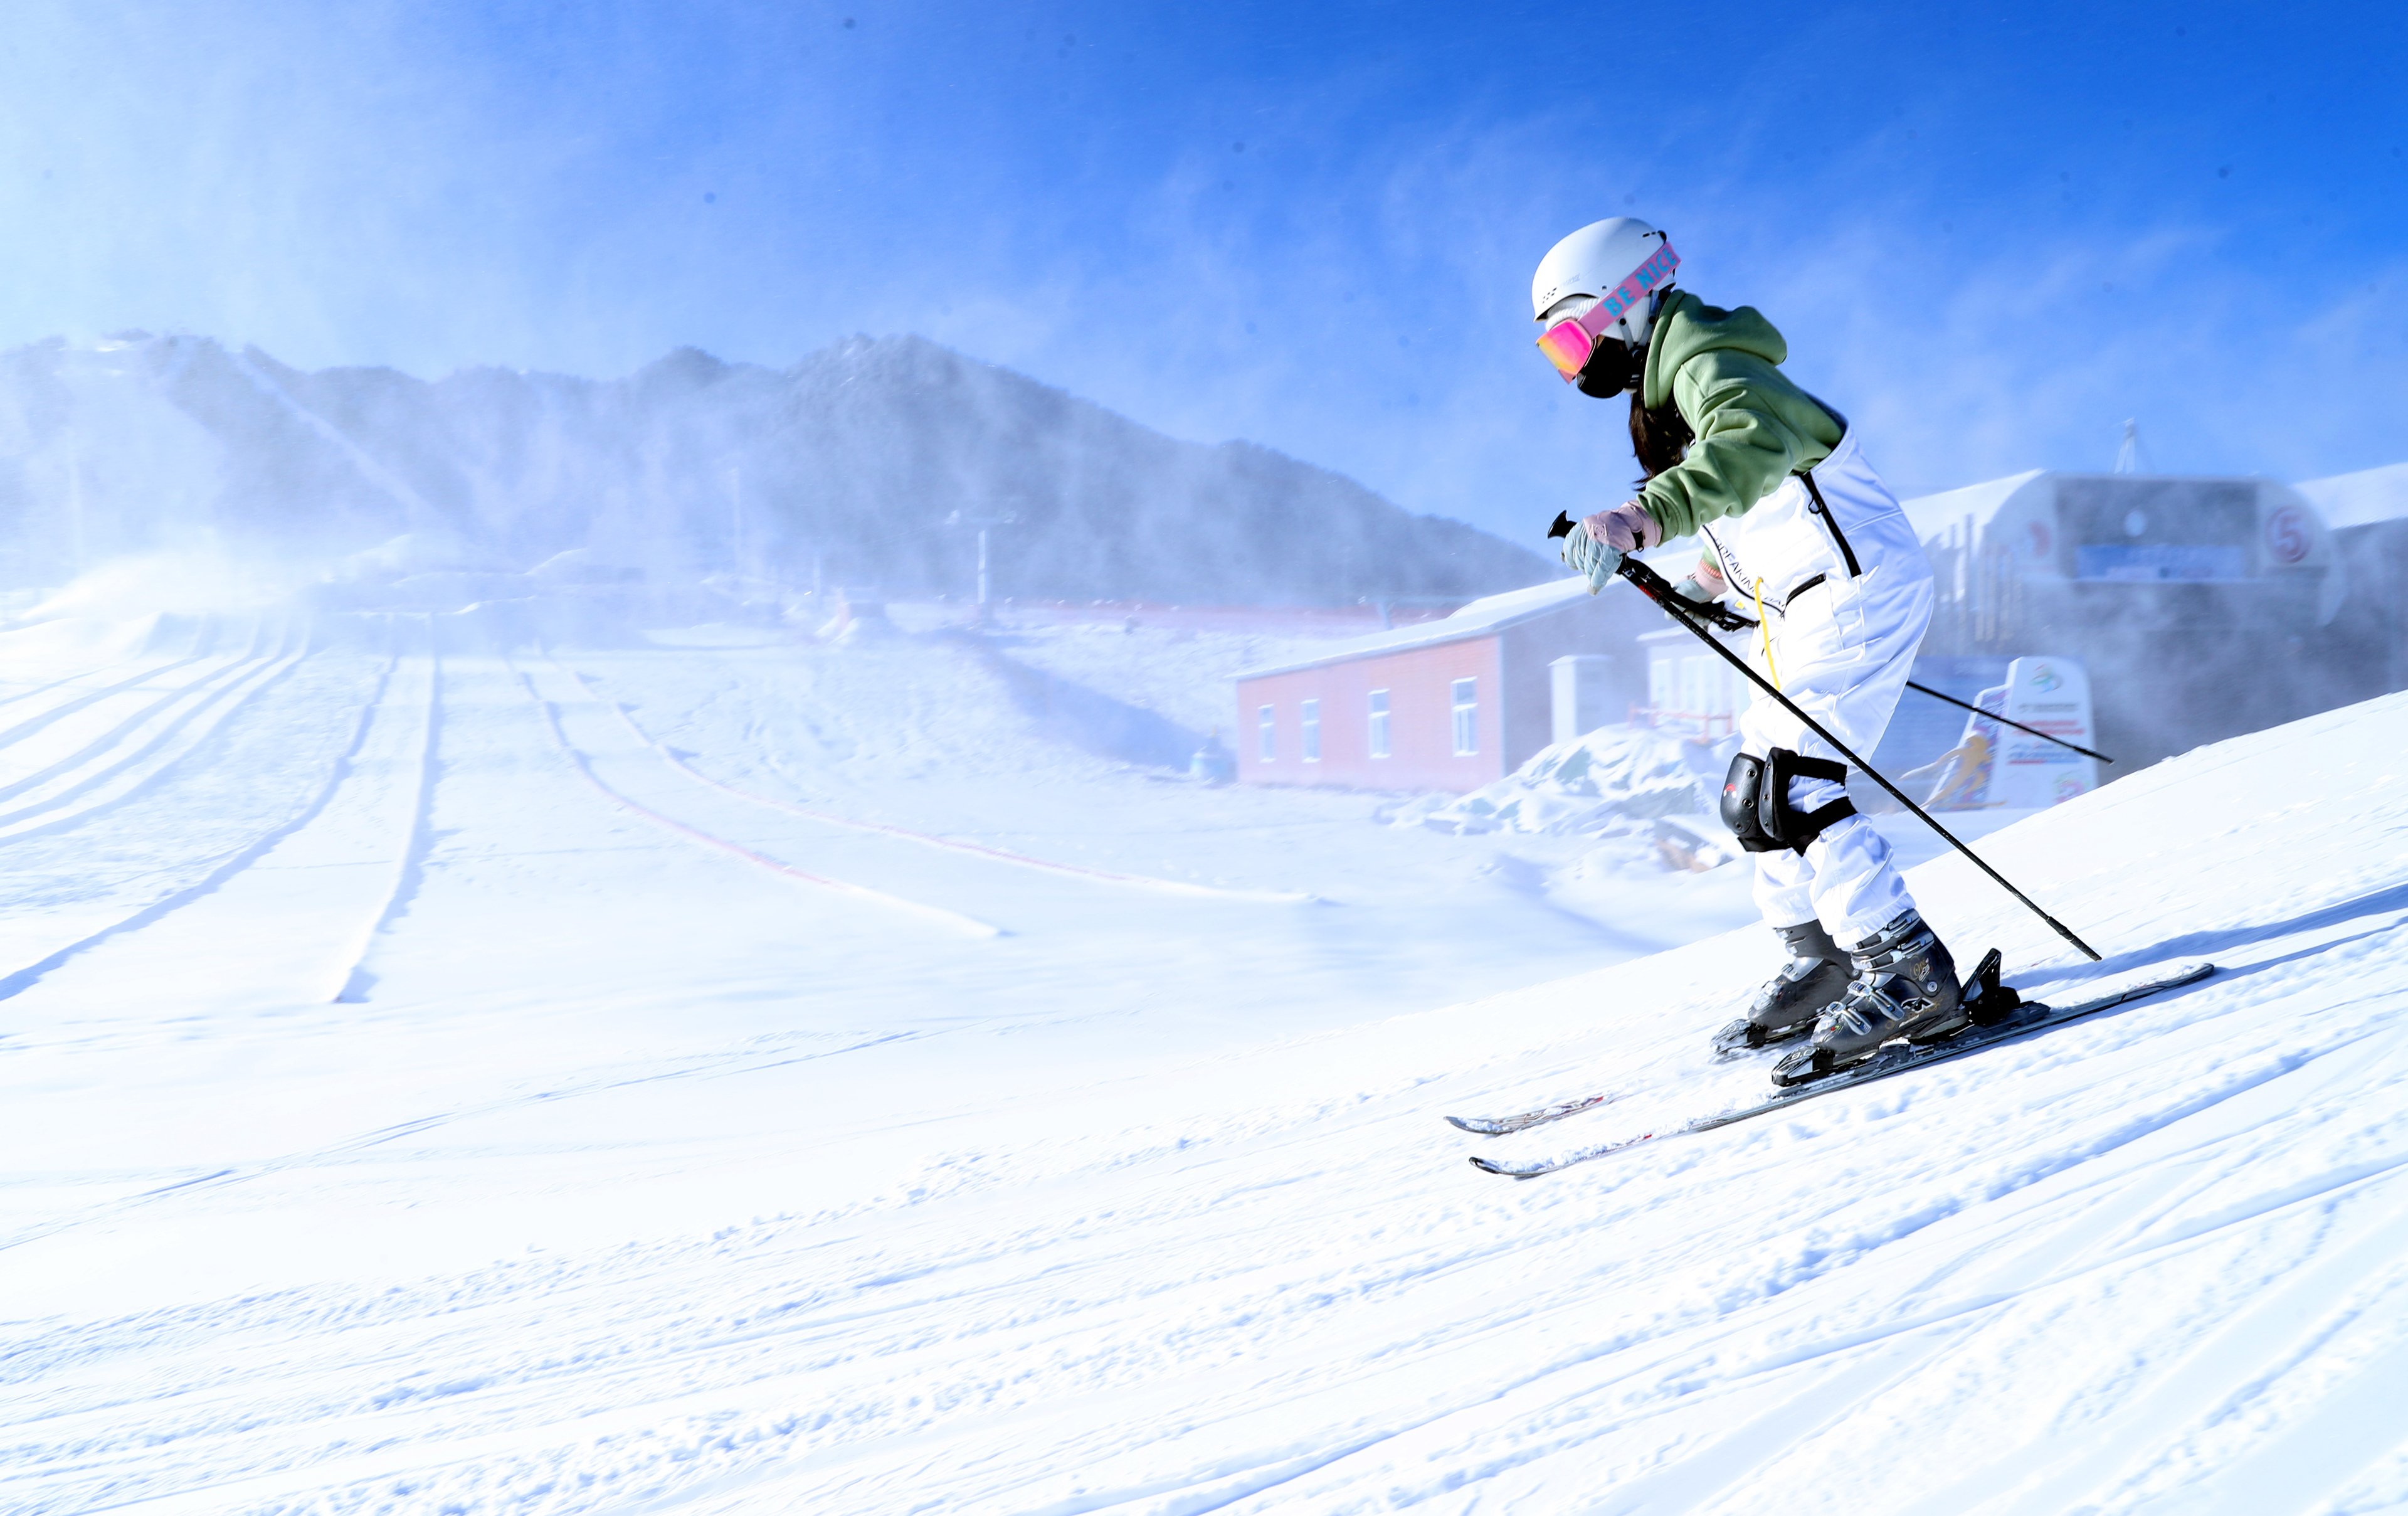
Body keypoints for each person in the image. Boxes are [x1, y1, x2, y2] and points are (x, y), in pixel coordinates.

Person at [1528, 215, 1961, 1072]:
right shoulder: (1667, 386)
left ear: (1622, 303)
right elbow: (1749, 503)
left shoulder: (1707, 364)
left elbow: (1747, 450)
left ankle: (1910, 967)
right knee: (1752, 794)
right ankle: (1820, 959)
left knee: (1799, 788)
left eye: (1573, 340)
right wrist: (1711, 578)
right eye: (1557, 356)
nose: (1575, 367)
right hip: (1795, 605)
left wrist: (1642, 516)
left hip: (1855, 588)